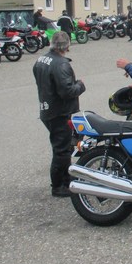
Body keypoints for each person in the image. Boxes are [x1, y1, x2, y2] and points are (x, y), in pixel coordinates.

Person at [33, 31, 86, 197]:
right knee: (62, 149)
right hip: (60, 112)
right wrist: (80, 85)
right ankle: (58, 185)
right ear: (67, 46)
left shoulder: (41, 60)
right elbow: (67, 91)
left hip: (47, 108)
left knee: (62, 146)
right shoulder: (61, 64)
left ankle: (65, 178)